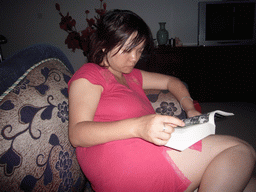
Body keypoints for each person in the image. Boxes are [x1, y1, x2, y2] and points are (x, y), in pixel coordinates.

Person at [68, 9, 256, 192]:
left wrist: (190, 108)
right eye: (127, 50)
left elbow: (171, 81)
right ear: (104, 44)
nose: (134, 58)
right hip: (126, 167)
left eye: (140, 50)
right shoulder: (90, 74)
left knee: (247, 181)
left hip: (155, 148)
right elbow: (77, 134)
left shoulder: (132, 75)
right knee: (241, 151)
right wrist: (139, 126)